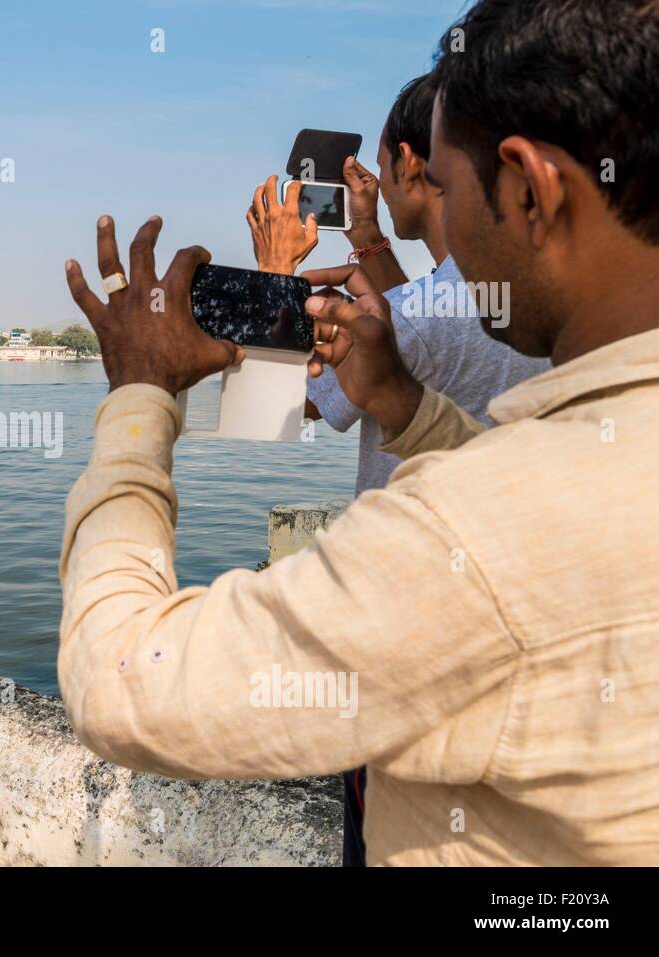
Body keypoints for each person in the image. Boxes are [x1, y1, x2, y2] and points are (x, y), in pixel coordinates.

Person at [59, 0, 659, 865]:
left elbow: (121, 685)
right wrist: (406, 406)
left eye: (450, 191)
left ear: (530, 189)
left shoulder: (471, 533)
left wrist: (141, 391)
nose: (448, 228)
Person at [246, 72, 550, 865]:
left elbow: (271, 413)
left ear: (417, 164)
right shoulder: (521, 300)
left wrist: (273, 276)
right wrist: (369, 238)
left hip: (404, 633)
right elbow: (421, 322)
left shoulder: (417, 319)